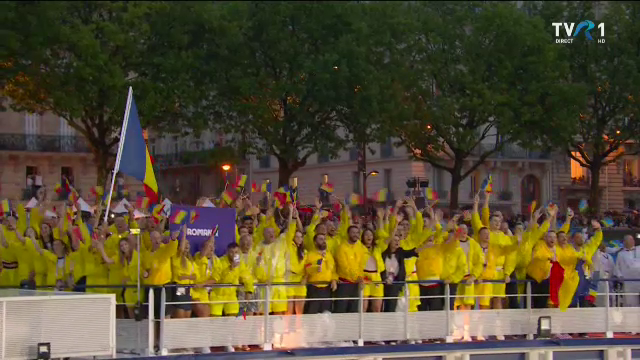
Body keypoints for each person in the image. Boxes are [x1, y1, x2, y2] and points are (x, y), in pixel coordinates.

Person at [334, 225, 366, 313]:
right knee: (341, 310)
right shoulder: (341, 248)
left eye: (357, 233)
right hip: (344, 284)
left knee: (353, 310)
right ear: (348, 234)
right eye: (353, 232)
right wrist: (357, 278)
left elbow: (361, 265)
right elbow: (344, 266)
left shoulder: (360, 248)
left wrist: (360, 277)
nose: (355, 235)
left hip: (356, 284)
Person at [303, 233, 337, 314]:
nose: (324, 241)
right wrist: (314, 268)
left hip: (327, 289)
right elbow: (306, 269)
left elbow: (333, 270)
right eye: (321, 239)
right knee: (312, 313)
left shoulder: (329, 255)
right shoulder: (310, 255)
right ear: (315, 242)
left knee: (326, 314)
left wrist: (334, 280)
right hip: (314, 288)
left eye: (324, 239)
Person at [614, 235, 640, 307]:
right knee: (630, 303)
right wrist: (620, 277)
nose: (632, 241)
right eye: (630, 240)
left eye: (632, 240)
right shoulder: (621, 254)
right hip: (628, 282)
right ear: (624, 242)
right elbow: (617, 268)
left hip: (639, 279)